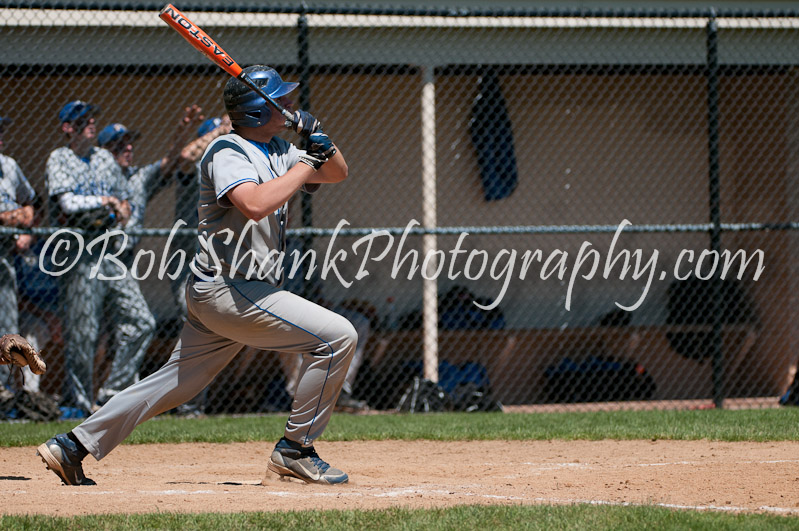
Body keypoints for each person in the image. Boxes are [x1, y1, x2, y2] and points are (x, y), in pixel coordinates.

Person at [37, 65, 355, 486]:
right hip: (228, 288)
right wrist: (307, 161)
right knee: (337, 337)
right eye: (282, 100)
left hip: (242, 291)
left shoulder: (281, 149)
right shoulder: (227, 150)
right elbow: (255, 204)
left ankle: (72, 445)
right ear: (259, 110)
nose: (291, 104)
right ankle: (296, 449)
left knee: (176, 383)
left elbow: (337, 172)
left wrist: (318, 136)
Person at [44, 100, 156, 415]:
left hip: (108, 251)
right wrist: (104, 202)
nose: (91, 123)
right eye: (82, 120)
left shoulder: (104, 158)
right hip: (77, 254)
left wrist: (116, 209)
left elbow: (124, 202)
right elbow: (68, 204)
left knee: (143, 322)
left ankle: (110, 394)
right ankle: (80, 405)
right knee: (84, 335)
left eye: (92, 118)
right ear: (68, 128)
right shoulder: (60, 158)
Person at [96, 105, 203, 267]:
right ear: (104, 150)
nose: (129, 148)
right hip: (95, 253)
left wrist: (183, 131)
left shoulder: (138, 176)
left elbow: (170, 160)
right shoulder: (94, 178)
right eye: (120, 144)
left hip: (126, 258)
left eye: (129, 143)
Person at [0, 114, 36, 390]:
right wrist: (12, 217)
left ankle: (4, 392)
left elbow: (30, 203)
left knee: (7, 327)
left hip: (5, 255)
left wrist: (24, 228)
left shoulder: (9, 165)